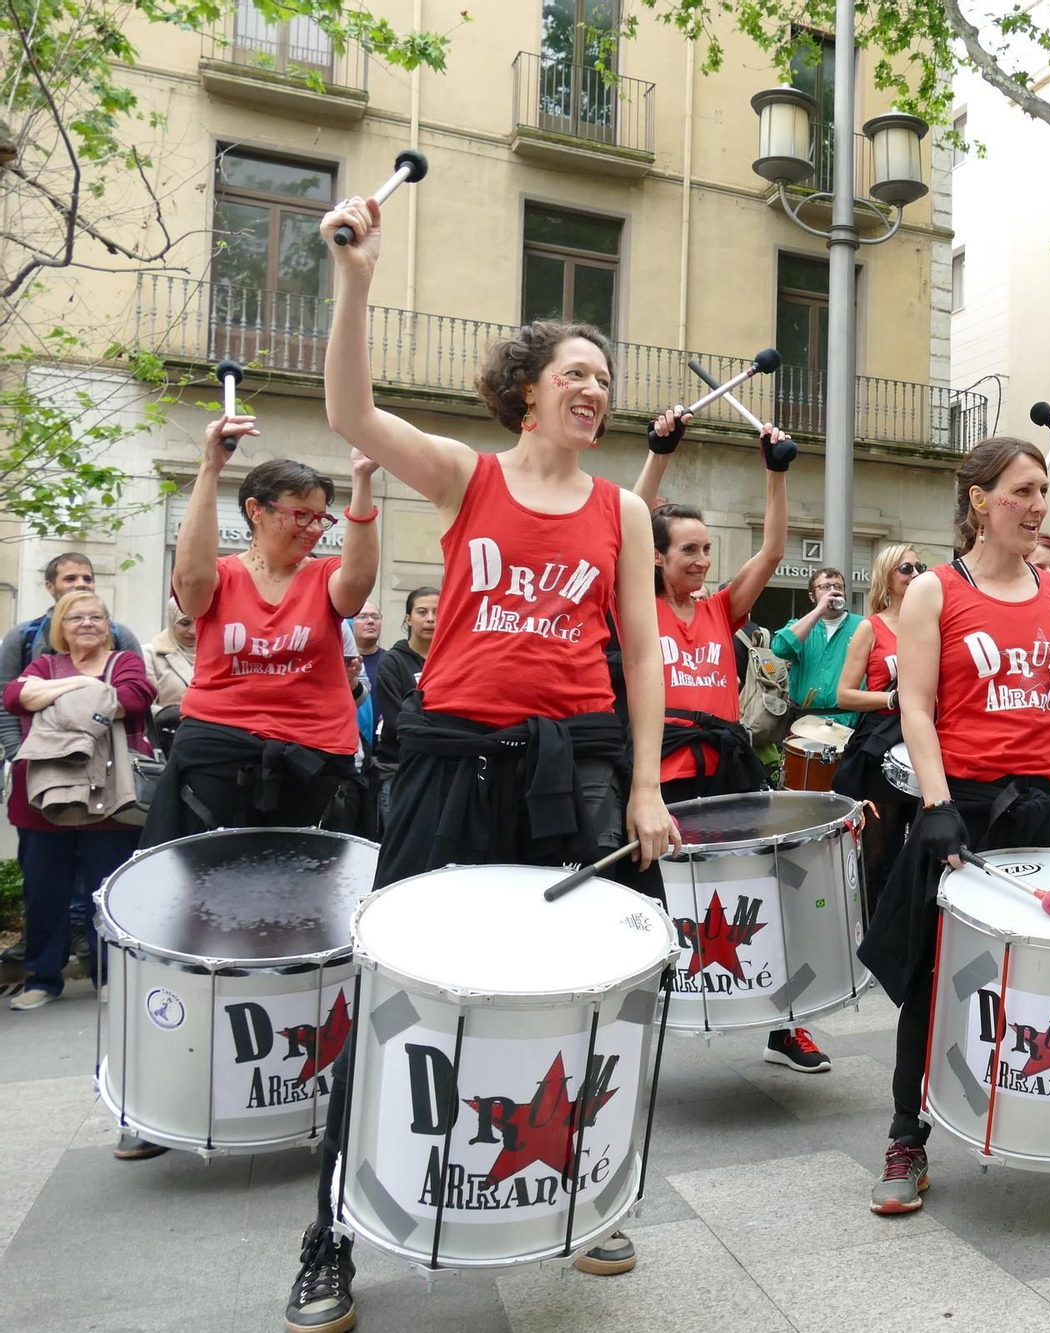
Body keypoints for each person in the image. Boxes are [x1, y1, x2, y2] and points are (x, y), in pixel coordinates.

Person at [281, 191, 680, 1332]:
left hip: (578, 767)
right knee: (393, 981)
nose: (595, 388)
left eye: (604, 374)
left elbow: (642, 652)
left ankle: (585, 1193)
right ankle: (332, 1234)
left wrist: (647, 786)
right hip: (453, 765)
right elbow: (350, 411)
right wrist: (355, 280)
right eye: (576, 370)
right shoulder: (470, 476)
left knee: (587, 992)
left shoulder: (621, 512)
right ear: (526, 390)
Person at [856, 436, 1050, 1216]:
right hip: (967, 805)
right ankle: (907, 1134)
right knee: (936, 974)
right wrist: (936, 806)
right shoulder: (933, 592)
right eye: (1023, 492)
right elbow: (915, 707)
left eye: (1042, 493)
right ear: (980, 500)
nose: (1037, 507)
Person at [636, 407, 826, 1073]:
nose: (703, 559)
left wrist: (776, 476)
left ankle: (786, 1025)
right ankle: (638, 1028)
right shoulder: (636, 603)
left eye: (707, 548)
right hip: (658, 779)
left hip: (725, 774)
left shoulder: (720, 608)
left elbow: (772, 551)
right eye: (688, 549)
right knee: (648, 904)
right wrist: (659, 451)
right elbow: (617, 535)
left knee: (764, 889)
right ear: (655, 557)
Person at [140, 420, 378, 845]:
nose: (311, 528)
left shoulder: (326, 576)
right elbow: (191, 586)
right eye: (299, 514)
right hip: (219, 750)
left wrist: (361, 480)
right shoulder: (221, 577)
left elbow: (357, 584)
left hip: (316, 755)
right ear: (256, 510)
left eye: (320, 518)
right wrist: (210, 466)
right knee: (204, 882)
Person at [5, 590, 155, 1018]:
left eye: (96, 617)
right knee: (42, 892)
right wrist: (86, 685)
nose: (87, 623)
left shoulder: (124, 662)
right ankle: (42, 979)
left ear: (109, 626)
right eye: (76, 618)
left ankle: (110, 975)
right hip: (42, 796)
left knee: (109, 893)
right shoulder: (43, 663)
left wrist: (50, 694)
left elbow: (131, 700)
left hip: (109, 796)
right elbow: (15, 698)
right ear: (60, 627)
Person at [833, 542, 924, 911]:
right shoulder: (871, 627)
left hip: (927, 740)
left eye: (921, 567)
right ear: (887, 578)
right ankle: (868, 929)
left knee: (923, 849)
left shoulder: (935, 623)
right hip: (883, 742)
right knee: (878, 852)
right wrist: (890, 699)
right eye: (906, 569)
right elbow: (844, 694)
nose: (916, 574)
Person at [0, 554, 140, 758]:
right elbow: (7, 698)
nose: (81, 584)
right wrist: (17, 752)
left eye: (87, 579)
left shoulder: (121, 637)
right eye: (70, 579)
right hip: (37, 754)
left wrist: (42, 691)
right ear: (49, 586)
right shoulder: (23, 636)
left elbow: (134, 699)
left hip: (108, 756)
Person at [369, 585, 438, 820]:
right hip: (398, 770)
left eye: (436, 612)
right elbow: (396, 720)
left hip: (441, 769)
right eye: (422, 612)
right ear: (408, 619)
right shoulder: (392, 661)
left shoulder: (451, 661)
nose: (430, 619)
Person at [775, 567, 862, 729]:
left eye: (838, 587)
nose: (833, 591)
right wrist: (818, 612)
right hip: (805, 721)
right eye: (825, 587)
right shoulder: (801, 625)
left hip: (850, 721)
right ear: (811, 595)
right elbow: (780, 648)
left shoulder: (863, 625)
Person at [140, 605, 197, 754]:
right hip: (164, 743)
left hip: (207, 740)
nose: (193, 630)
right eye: (185, 623)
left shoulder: (219, 655)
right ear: (171, 622)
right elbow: (144, 704)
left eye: (200, 621)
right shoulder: (149, 654)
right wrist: (170, 715)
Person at [349, 601, 384, 686]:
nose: (371, 621)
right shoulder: (342, 661)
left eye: (375, 617)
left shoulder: (389, 661)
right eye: (362, 617)